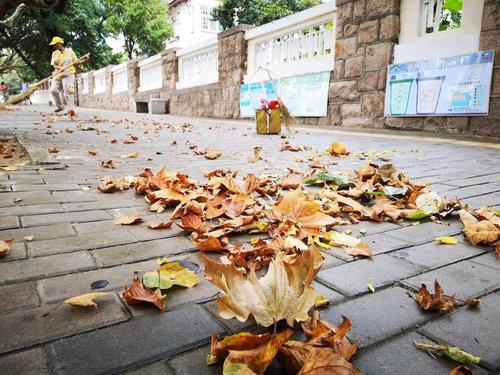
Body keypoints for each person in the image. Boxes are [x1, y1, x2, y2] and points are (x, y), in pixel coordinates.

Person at [49, 36, 89, 113]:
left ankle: (72, 110)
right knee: (53, 90)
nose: (53, 46)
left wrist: (85, 60)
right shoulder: (54, 53)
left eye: (55, 44)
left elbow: (76, 62)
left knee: (68, 92)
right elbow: (53, 65)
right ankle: (60, 106)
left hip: (69, 74)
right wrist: (60, 68)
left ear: (60, 44)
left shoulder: (70, 52)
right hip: (58, 74)